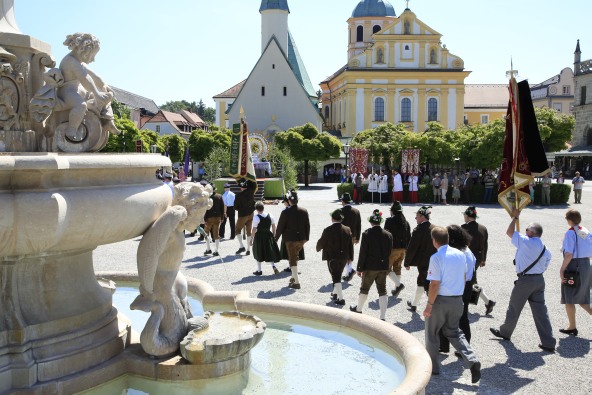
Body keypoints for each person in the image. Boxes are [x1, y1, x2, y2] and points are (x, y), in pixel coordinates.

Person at [490, 209, 556, 352]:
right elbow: (545, 266)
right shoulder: (546, 249)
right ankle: (549, 342)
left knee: (514, 307)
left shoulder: (526, 241)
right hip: (539, 280)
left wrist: (515, 217)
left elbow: (509, 232)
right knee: (541, 311)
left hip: (525, 280)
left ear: (533, 233)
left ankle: (505, 332)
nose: (526, 230)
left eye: (528, 229)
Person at [423, 227, 481, 383]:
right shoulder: (461, 255)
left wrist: (429, 304)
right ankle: (472, 360)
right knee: (455, 332)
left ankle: (433, 368)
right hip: (457, 299)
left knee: (432, 333)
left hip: (440, 301)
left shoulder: (436, 257)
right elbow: (464, 277)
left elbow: (434, 284)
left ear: (434, 241)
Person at [57, 33, 119, 141]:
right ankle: (71, 130)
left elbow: (94, 76)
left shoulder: (79, 62)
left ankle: (109, 121)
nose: (93, 59)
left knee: (106, 96)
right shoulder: (70, 61)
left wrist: (104, 86)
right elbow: (85, 78)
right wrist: (96, 93)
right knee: (80, 105)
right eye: (93, 55)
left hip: (78, 90)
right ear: (85, 51)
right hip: (67, 92)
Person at [438, 225, 476, 354]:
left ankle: (447, 345)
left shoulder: (459, 254)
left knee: (447, 316)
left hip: (459, 286)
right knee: (462, 317)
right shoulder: (467, 250)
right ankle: (462, 346)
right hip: (467, 285)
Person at [349, 210, 392, 321]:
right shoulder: (388, 235)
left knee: (364, 289)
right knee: (382, 290)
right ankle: (382, 316)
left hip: (370, 266)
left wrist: (359, 268)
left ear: (371, 222)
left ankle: (359, 309)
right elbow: (389, 252)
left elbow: (363, 253)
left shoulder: (367, 234)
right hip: (383, 266)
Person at [558, 209, 592, 336]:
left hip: (574, 265)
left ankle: (572, 326)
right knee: (583, 297)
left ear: (569, 220)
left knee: (569, 297)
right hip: (586, 264)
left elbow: (568, 254)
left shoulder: (570, 233)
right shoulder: (585, 230)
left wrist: (562, 269)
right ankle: (571, 326)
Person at [316, 208, 354, 305]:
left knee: (336, 277)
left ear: (332, 218)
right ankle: (335, 293)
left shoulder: (328, 230)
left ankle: (341, 299)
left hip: (332, 257)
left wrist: (318, 248)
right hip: (344, 257)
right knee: (338, 274)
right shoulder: (347, 229)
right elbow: (351, 244)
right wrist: (351, 257)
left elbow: (321, 242)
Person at [462, 206, 495, 315]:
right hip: (478, 257)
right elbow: (485, 244)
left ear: (467, 216)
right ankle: (487, 302)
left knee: (470, 281)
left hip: (467, 258)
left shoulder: (464, 228)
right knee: (471, 280)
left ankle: (488, 301)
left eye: (464, 215)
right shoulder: (483, 228)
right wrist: (483, 259)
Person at [275, 189, 310, 289]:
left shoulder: (286, 212)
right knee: (295, 257)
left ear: (289, 200)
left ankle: (296, 282)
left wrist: (275, 239)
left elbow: (280, 227)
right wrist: (306, 238)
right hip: (302, 239)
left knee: (292, 259)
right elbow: (307, 225)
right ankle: (293, 278)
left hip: (290, 239)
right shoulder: (304, 210)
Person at [404, 206, 437, 311]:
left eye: (417, 216)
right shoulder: (435, 228)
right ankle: (414, 304)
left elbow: (412, 247)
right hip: (435, 261)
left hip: (423, 262)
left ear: (423, 217)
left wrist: (407, 262)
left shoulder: (418, 230)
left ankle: (435, 308)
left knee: (427, 285)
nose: (415, 218)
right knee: (421, 281)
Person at [384, 201, 410, 298]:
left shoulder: (389, 221)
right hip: (403, 249)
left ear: (392, 211)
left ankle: (398, 285)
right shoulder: (406, 222)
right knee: (397, 268)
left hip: (393, 249)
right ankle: (396, 289)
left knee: (386, 268)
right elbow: (409, 236)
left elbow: (386, 236)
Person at [250, 201, 281, 276]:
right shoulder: (270, 215)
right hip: (268, 235)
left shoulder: (256, 217)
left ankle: (259, 270)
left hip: (259, 236)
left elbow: (254, 229)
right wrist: (273, 235)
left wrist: (251, 238)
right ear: (263, 208)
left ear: (256, 209)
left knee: (258, 251)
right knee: (269, 250)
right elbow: (274, 226)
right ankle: (273, 266)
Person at [340, 193, 362, 282]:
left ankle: (350, 270)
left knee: (343, 253)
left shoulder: (340, 211)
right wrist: (358, 237)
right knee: (350, 252)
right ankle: (348, 272)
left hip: (343, 235)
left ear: (343, 201)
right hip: (353, 235)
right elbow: (359, 225)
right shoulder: (356, 211)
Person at [234, 179, 256, 255]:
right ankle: (248, 249)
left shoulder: (238, 196)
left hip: (243, 215)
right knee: (248, 231)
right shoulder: (251, 191)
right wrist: (248, 178)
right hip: (251, 214)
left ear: (241, 187)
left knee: (237, 230)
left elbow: (235, 207)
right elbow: (254, 184)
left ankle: (241, 246)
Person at [203, 182, 224, 256]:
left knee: (206, 233)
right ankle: (216, 250)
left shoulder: (207, 198)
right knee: (216, 234)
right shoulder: (219, 196)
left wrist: (204, 219)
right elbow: (222, 208)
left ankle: (208, 249)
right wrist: (222, 217)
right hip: (217, 217)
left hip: (209, 218)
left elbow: (205, 209)